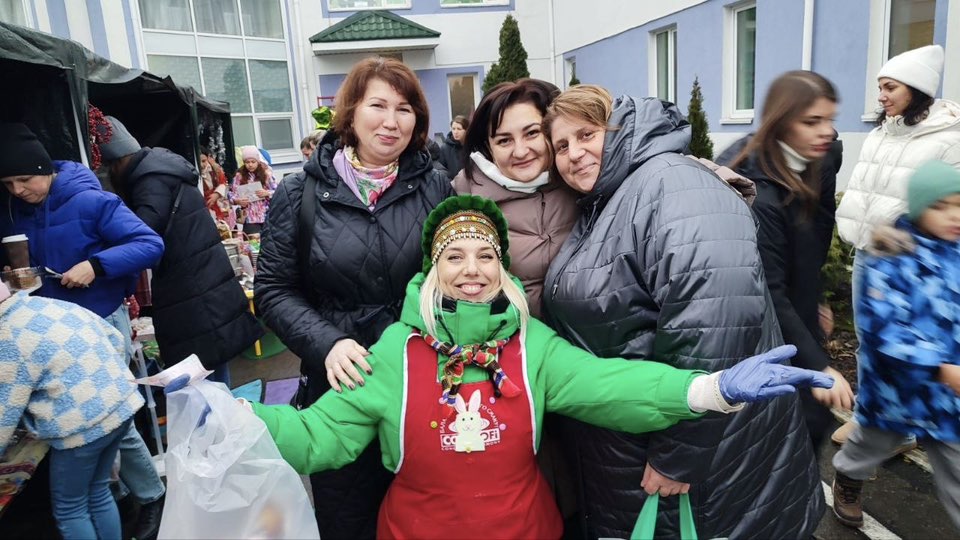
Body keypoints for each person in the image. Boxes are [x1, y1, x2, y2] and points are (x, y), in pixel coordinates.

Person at [248, 194, 833, 539]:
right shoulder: (393, 353)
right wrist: (237, 421)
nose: (471, 269)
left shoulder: (532, 347)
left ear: (502, 270)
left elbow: (612, 386)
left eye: (486, 256)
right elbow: (317, 437)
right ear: (432, 270)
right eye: (455, 256)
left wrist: (710, 389)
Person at [541, 85, 826, 539]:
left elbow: (714, 322)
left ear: (620, 130)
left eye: (587, 134)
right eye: (561, 146)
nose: (574, 154)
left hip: (700, 460)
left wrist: (678, 455)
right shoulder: (613, 197)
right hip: (637, 443)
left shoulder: (670, 183)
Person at [254, 56, 453, 539]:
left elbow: (454, 278)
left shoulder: (435, 186)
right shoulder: (300, 192)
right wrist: (327, 343)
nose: (391, 121)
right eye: (377, 105)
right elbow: (274, 290)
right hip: (340, 386)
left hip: (422, 383)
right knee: (349, 518)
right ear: (351, 112)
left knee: (430, 515)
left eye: (404, 109)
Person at [0, 122, 167, 540]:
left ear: (45, 169)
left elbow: (150, 244)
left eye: (25, 179)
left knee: (109, 420)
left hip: (99, 321)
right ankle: (115, 498)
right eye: (8, 183)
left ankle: (151, 497)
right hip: (48, 336)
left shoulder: (92, 200)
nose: (18, 190)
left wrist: (96, 265)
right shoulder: (13, 210)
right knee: (98, 430)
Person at [719, 71, 855, 451]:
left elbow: (811, 241)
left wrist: (817, 297)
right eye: (812, 122)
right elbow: (770, 293)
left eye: (830, 119)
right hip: (766, 335)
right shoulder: (760, 196)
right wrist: (819, 367)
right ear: (780, 122)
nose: (827, 132)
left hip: (795, 316)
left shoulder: (810, 162)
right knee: (791, 431)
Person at [833, 44, 959, 446]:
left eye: (890, 87)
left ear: (916, 89)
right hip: (872, 253)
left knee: (922, 344)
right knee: (871, 340)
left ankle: (910, 422)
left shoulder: (949, 139)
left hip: (919, 261)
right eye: (880, 87)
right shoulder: (880, 134)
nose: (881, 96)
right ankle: (872, 417)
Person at [831, 160, 960, 529]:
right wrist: (938, 368)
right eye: (941, 206)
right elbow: (884, 331)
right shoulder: (889, 256)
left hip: (948, 401)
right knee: (868, 447)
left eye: (959, 205)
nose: (954, 215)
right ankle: (848, 477)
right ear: (918, 208)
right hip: (895, 394)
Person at [99, 115, 263, 384]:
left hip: (190, 284)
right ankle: (225, 406)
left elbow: (144, 235)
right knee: (212, 360)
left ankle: (220, 409)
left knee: (203, 368)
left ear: (115, 162)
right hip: (203, 279)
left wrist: (97, 263)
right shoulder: (162, 169)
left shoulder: (149, 181)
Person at [0, 280, 145, 540]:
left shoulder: (7, 335)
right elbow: (115, 338)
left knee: (70, 508)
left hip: (80, 425)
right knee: (98, 491)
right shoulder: (47, 304)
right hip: (121, 403)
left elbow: (5, 410)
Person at [453, 79, 577, 318]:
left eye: (532, 133)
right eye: (504, 140)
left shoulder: (581, 181)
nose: (520, 151)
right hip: (509, 336)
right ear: (488, 148)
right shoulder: (463, 200)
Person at [230, 145, 277, 235]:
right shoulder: (239, 176)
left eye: (253, 162)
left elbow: (277, 191)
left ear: (258, 161)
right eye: (247, 162)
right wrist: (237, 200)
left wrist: (267, 193)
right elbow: (231, 194)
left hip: (267, 216)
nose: (250, 165)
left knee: (268, 240)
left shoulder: (267, 174)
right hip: (249, 218)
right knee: (252, 241)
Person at [199, 146, 231, 224]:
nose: (202, 165)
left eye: (204, 161)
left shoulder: (215, 169)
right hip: (202, 206)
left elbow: (223, 182)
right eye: (199, 162)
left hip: (216, 205)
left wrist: (217, 194)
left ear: (208, 158)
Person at [437, 115, 468, 179]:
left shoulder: (472, 147)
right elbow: (441, 170)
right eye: (453, 129)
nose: (455, 132)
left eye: (459, 129)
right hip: (451, 183)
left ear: (466, 130)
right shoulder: (445, 148)